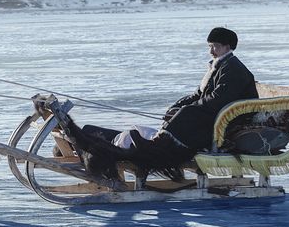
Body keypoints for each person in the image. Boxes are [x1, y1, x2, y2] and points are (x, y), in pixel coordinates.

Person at [63, 27, 258, 182]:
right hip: (215, 114)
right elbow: (199, 94)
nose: (211, 50)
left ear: (227, 46)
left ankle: (161, 145)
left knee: (188, 112)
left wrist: (189, 108)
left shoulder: (233, 69)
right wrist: (178, 105)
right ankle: (161, 140)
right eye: (210, 45)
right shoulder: (219, 65)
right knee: (183, 109)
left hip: (226, 120)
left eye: (214, 46)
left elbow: (219, 99)